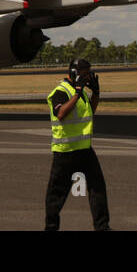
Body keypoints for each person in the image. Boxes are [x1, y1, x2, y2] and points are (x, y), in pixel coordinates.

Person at [44, 57, 110, 230]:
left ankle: (102, 227)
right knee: (56, 194)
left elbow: (90, 112)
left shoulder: (78, 92)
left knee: (98, 188)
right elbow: (61, 113)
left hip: (84, 150)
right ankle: (51, 227)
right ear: (74, 73)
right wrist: (77, 93)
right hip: (65, 151)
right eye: (84, 74)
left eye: (89, 74)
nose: (88, 77)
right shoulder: (61, 91)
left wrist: (95, 94)